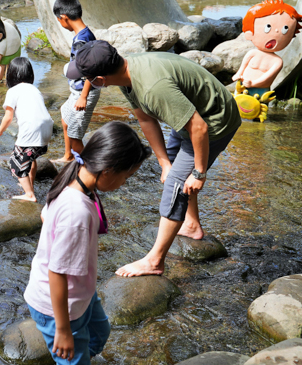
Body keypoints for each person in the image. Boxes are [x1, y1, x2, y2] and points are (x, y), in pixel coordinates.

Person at [67, 41, 241, 277]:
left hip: (213, 120)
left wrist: (199, 173)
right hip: (192, 112)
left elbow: (198, 128)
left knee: (176, 184)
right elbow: (146, 119)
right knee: (173, 170)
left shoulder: (152, 87)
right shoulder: (126, 75)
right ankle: (191, 225)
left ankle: (155, 260)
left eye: (87, 78)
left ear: (99, 80)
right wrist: (164, 162)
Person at [24, 123, 151, 365]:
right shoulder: (77, 212)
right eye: (127, 176)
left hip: (79, 292)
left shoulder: (73, 181)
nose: (125, 183)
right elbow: (57, 272)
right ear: (108, 171)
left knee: (99, 333)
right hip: (59, 303)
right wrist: (63, 330)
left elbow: (46, 217)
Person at [0, 57, 53, 202]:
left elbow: (8, 117)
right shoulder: (35, 89)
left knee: (16, 164)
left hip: (31, 130)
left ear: (11, 75)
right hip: (47, 127)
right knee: (31, 159)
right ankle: (29, 186)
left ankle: (29, 195)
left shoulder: (13, 91)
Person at [51, 0, 101, 165]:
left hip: (84, 92)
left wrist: (83, 97)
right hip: (78, 90)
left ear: (64, 18)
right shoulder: (85, 34)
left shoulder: (82, 41)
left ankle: (87, 166)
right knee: (65, 117)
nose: (61, 24)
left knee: (75, 134)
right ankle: (68, 156)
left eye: (59, 21)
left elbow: (92, 71)